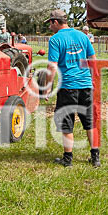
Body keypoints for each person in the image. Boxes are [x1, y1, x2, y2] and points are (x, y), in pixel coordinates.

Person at [44, 9, 99, 168]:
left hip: (67, 86)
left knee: (67, 123)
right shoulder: (83, 36)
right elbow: (93, 59)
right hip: (85, 85)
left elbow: (52, 66)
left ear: (55, 22)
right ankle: (95, 158)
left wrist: (48, 87)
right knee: (89, 122)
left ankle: (67, 160)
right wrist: (93, 78)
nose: (49, 27)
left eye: (50, 23)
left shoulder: (55, 40)